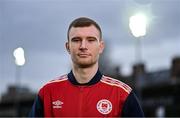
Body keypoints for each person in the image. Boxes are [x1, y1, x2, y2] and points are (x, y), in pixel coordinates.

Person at [29, 17, 144, 117]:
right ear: (68, 47)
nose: (83, 46)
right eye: (76, 40)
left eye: (90, 40)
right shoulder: (48, 92)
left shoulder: (122, 94)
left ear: (101, 47)